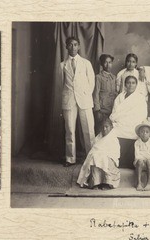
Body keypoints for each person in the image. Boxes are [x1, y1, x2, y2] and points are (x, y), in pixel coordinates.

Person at [60, 36, 95, 167]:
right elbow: (61, 84)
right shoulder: (62, 65)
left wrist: (85, 94)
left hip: (85, 99)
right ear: (66, 46)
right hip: (69, 100)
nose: (73, 47)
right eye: (70, 45)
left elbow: (91, 82)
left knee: (89, 130)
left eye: (75, 45)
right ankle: (70, 158)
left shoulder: (86, 63)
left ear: (79, 46)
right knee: (69, 130)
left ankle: (91, 157)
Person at [77, 119, 120, 190]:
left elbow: (115, 153)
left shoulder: (113, 138)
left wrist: (103, 154)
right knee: (95, 158)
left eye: (106, 127)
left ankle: (106, 183)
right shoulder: (98, 137)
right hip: (98, 157)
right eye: (102, 127)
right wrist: (98, 154)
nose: (104, 129)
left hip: (109, 159)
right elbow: (94, 149)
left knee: (103, 159)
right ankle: (95, 182)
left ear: (111, 127)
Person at [93, 54, 117, 135]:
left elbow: (115, 92)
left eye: (110, 62)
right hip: (102, 109)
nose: (108, 65)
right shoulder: (98, 77)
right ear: (102, 64)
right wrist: (97, 110)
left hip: (112, 109)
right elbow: (95, 93)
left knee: (110, 131)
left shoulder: (114, 77)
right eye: (105, 62)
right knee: (101, 130)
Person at [134, 121, 150, 191]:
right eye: (142, 132)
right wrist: (146, 155)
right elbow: (137, 155)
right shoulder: (137, 143)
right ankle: (139, 183)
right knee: (140, 161)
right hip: (139, 162)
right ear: (139, 133)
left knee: (149, 161)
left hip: (149, 163)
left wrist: (144, 155)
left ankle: (148, 183)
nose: (144, 134)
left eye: (147, 132)